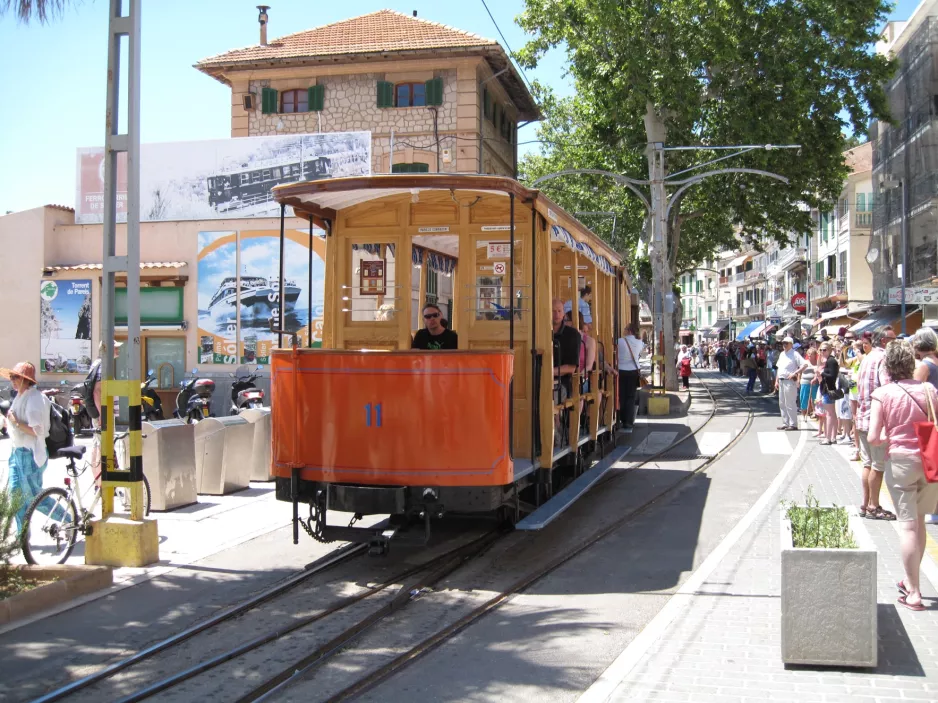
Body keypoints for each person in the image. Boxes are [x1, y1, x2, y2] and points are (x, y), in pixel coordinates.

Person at [868, 340, 938, 610]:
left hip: (900, 462)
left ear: (888, 367)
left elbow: (874, 437)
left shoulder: (883, 394)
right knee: (919, 523)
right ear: (911, 364)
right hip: (929, 459)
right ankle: (911, 580)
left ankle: (914, 592)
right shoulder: (929, 389)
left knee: (907, 527)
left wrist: (891, 435)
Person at [0, 362, 51, 531]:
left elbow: (36, 431)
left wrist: (15, 422)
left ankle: (70, 519)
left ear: (26, 380)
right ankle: (22, 536)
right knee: (15, 495)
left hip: (29, 453)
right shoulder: (21, 396)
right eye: (12, 377)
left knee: (35, 497)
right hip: (17, 452)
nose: (12, 380)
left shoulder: (34, 399)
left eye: (16, 377)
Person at [856, 328, 897, 520]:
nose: (894, 342)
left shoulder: (867, 358)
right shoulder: (883, 359)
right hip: (875, 421)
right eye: (892, 339)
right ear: (884, 341)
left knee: (867, 463)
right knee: (877, 465)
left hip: (862, 417)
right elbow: (887, 389)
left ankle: (865, 504)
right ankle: (873, 506)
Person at [774, 337, 809, 430]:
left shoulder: (795, 354)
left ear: (791, 344)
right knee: (782, 403)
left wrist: (795, 372)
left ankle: (793, 424)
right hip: (781, 380)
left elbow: (805, 364)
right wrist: (776, 381)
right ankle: (785, 422)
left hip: (789, 381)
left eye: (786, 343)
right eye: (783, 343)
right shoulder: (782, 354)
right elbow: (779, 368)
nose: (784, 345)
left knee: (790, 403)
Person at [617, 322, 644, 433]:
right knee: (631, 397)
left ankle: (621, 420)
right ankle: (629, 422)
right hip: (633, 371)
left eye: (625, 328)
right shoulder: (640, 343)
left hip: (621, 371)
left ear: (629, 330)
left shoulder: (620, 341)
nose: (623, 330)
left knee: (621, 396)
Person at [552, 298, 580, 401]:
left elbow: (571, 368)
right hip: (536, 383)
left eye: (559, 311)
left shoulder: (572, 335)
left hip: (560, 385)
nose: (556, 314)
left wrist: (549, 372)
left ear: (564, 313)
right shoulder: (539, 333)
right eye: (553, 311)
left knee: (547, 402)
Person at [798, 347, 817, 418]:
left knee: (814, 398)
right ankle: (804, 412)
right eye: (808, 353)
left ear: (815, 355)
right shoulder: (805, 362)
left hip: (814, 382)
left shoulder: (817, 362)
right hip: (804, 382)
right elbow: (800, 372)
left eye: (811, 354)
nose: (809, 355)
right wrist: (798, 380)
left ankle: (815, 411)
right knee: (803, 398)